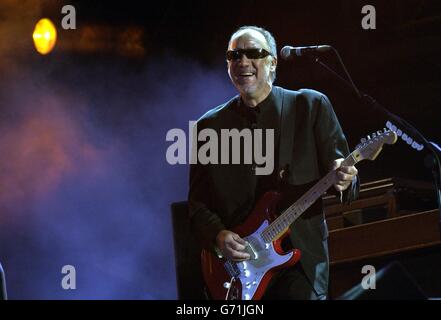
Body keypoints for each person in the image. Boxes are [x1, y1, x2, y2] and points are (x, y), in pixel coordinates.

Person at [188, 25, 359, 300]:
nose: (243, 62)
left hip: (300, 262)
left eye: (254, 53)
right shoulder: (209, 126)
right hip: (238, 271)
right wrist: (219, 237)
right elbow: (198, 204)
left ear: (272, 62)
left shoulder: (310, 106)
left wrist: (345, 178)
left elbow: (347, 180)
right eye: (235, 56)